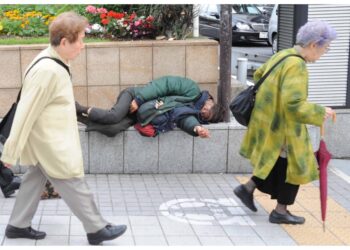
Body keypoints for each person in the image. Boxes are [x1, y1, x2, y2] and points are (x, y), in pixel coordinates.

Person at [0, 12, 126, 245]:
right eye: (79, 39)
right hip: (50, 143)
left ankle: (17, 225)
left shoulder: (55, 61)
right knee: (72, 180)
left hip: (49, 140)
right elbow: (25, 111)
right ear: (64, 42)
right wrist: (11, 151)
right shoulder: (47, 70)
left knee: (33, 179)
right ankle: (96, 228)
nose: (82, 46)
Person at [233, 20, 337, 224]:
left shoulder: (283, 54)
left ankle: (248, 188)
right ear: (314, 44)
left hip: (268, 122)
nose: (324, 53)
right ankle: (280, 211)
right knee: (295, 168)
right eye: (325, 48)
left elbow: (260, 74)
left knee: (276, 161)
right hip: (284, 126)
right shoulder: (297, 65)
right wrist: (319, 111)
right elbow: (293, 105)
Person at [76, 75, 225, 138]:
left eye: (206, 116)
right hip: (134, 97)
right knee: (113, 116)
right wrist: (139, 100)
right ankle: (77, 108)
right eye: (208, 109)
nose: (203, 111)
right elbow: (164, 84)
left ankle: (79, 118)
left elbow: (186, 121)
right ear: (211, 101)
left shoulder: (191, 113)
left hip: (141, 115)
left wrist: (197, 129)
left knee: (113, 129)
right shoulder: (192, 89)